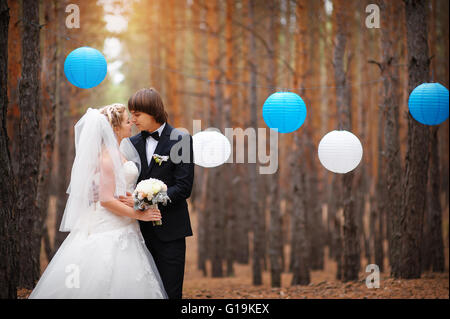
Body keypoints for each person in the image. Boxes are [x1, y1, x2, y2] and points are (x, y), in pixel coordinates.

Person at [29, 104, 167, 299]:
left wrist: (136, 200)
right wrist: (139, 214)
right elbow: (106, 200)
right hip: (110, 226)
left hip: (124, 224)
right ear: (116, 128)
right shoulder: (107, 158)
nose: (131, 125)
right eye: (127, 121)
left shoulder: (119, 152)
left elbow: (116, 192)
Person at [119, 88, 194, 299]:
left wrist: (145, 199)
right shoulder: (130, 144)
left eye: (137, 114)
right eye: (131, 114)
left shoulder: (181, 139)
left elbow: (183, 187)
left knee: (170, 293)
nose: (132, 120)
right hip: (137, 233)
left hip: (171, 231)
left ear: (153, 111)